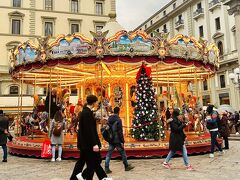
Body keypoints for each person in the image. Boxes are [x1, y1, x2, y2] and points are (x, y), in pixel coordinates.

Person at [77, 95, 110, 180]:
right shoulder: (86, 113)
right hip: (88, 143)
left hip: (86, 143)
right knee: (95, 161)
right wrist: (94, 143)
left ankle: (102, 177)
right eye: (96, 102)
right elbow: (89, 130)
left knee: (92, 162)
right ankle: (83, 176)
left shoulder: (86, 112)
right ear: (94, 102)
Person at [105, 107, 134, 174]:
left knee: (109, 154)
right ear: (119, 111)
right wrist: (122, 141)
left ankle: (106, 168)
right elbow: (120, 132)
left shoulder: (109, 118)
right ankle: (126, 166)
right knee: (123, 153)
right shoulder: (118, 119)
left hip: (111, 139)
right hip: (117, 140)